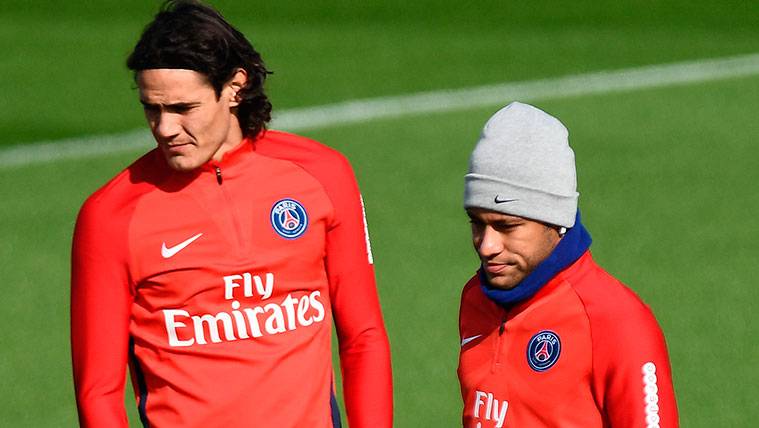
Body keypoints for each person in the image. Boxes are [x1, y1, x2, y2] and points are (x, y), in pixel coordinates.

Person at [70, 1, 392, 427]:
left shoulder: (323, 175)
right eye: (152, 108)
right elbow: (99, 390)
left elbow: (363, 336)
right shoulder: (110, 215)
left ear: (235, 87)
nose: (164, 128)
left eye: (184, 109)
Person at [457, 102, 678, 427]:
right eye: (477, 223)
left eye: (506, 226)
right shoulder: (476, 298)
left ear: (555, 221)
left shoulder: (617, 324)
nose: (487, 246)